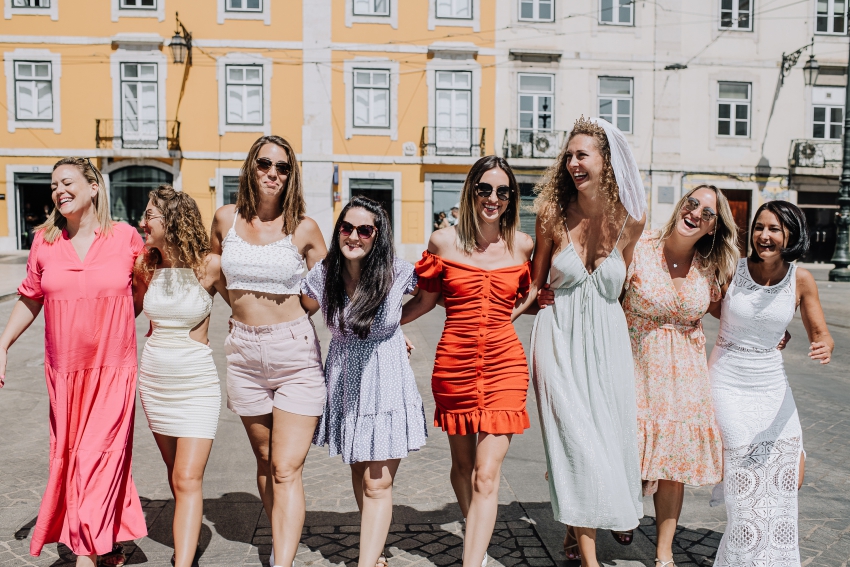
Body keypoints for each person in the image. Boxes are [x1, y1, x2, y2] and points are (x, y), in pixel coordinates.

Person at [0, 157, 147, 567]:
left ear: (94, 187)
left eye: (67, 182)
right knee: (72, 457)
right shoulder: (44, 242)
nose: (58, 190)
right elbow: (31, 297)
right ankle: (106, 543)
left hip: (114, 371)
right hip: (64, 375)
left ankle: (85, 555)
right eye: (53, 186)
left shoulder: (126, 237)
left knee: (95, 456)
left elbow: (141, 292)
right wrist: (3, 344)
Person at [522, 117, 645, 567]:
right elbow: (535, 288)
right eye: (569, 155)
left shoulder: (632, 219)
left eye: (582, 155)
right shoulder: (551, 215)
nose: (573, 163)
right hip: (557, 335)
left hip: (609, 341)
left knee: (607, 437)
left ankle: (577, 534)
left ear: (606, 161)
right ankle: (591, 560)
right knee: (573, 436)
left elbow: (628, 288)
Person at [402, 155, 534, 567]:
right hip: (454, 363)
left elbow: (529, 295)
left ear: (511, 198)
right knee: (462, 465)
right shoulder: (443, 242)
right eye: (485, 189)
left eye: (502, 191)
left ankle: (470, 560)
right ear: (472, 190)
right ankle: (476, 524)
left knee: (485, 473)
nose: (493, 198)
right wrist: (382, 325)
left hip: (505, 365)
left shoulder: (524, 245)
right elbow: (425, 299)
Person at [210, 135, 328, 567]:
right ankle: (283, 535)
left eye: (282, 167)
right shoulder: (225, 220)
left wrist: (387, 327)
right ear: (251, 168)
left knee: (284, 467)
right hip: (243, 352)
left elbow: (328, 288)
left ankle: (283, 560)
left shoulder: (305, 228)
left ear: (291, 175)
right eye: (265, 164)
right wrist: (236, 308)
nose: (273, 173)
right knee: (264, 460)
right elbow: (213, 270)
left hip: (294, 353)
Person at [301, 196, 427, 567]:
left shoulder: (396, 272)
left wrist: (393, 326)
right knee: (359, 467)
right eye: (347, 227)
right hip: (344, 380)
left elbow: (432, 295)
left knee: (377, 483)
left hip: (386, 380)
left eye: (364, 230)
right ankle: (375, 551)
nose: (354, 235)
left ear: (378, 235)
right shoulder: (324, 275)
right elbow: (296, 309)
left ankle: (367, 561)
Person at [708, 201, 833, 567]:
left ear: (790, 234)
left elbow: (820, 332)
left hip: (772, 387)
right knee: (744, 484)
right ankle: (741, 559)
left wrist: (823, 345)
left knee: (788, 477)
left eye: (774, 229)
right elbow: (706, 305)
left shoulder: (802, 279)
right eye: (759, 228)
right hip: (728, 382)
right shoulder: (733, 269)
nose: (764, 235)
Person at [135, 186, 229, 567]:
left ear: (172, 220)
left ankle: (183, 562)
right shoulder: (146, 266)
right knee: (177, 479)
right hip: (156, 383)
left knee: (188, 478)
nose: (143, 223)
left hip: (196, 385)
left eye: (150, 216)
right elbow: (122, 314)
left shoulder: (210, 266)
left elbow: (247, 308)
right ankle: (184, 542)